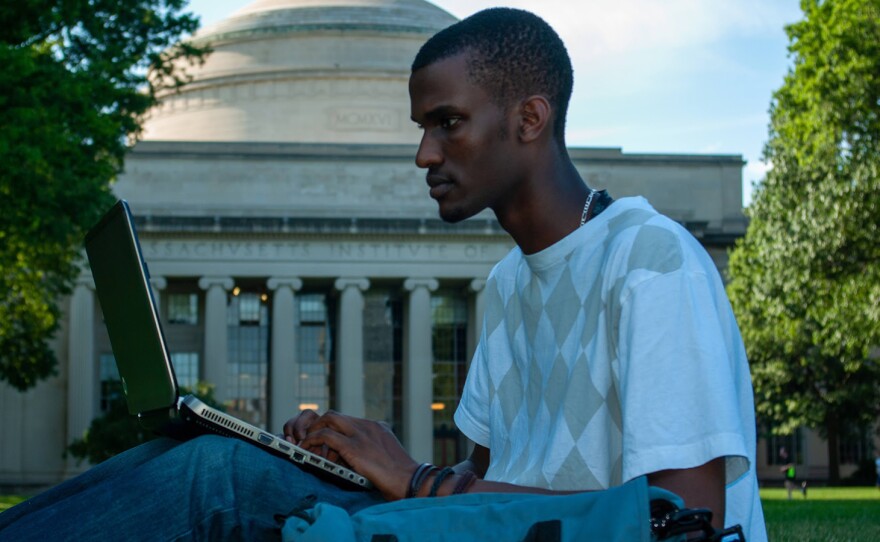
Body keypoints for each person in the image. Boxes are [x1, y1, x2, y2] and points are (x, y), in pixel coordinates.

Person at [0, 7, 767, 541]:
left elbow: (683, 524)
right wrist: (367, 461)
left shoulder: (652, 262)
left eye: (448, 123)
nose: (424, 155)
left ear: (530, 120)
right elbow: (487, 488)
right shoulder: (508, 285)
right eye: (421, 128)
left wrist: (419, 482)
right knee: (202, 455)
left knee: (218, 481)